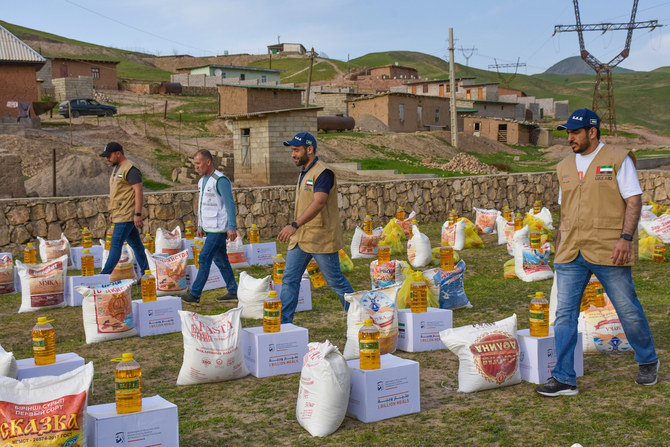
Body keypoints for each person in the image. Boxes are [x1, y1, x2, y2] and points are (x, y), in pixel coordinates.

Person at [535, 109, 659, 397]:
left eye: (575, 132)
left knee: (627, 309)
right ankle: (564, 378)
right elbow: (565, 210)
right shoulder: (564, 166)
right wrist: (558, 245)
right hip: (570, 253)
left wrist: (626, 238)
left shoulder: (618, 159)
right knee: (564, 315)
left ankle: (647, 360)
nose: (570, 138)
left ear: (592, 132)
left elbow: (633, 200)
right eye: (567, 132)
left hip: (609, 249)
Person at [277, 132, 354, 323]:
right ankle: (285, 324)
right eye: (292, 150)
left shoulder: (323, 173)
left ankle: (359, 318)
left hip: (320, 238)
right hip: (301, 239)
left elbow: (319, 202)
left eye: (296, 150)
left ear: (309, 149)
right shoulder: (305, 172)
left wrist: (294, 224)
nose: (293, 154)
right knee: (289, 280)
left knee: (335, 281)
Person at [181, 149, 238, 304]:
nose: (196, 167)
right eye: (195, 164)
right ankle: (233, 291)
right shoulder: (201, 181)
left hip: (219, 229)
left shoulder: (220, 180)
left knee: (204, 257)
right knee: (221, 260)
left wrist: (232, 227)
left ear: (208, 162)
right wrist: (200, 226)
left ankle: (195, 294)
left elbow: (229, 204)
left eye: (198, 163)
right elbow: (202, 206)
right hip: (209, 228)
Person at [99, 142, 149, 276]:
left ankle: (103, 277)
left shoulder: (130, 170)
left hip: (126, 215)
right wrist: (113, 212)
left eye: (109, 156)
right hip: (120, 214)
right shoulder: (117, 168)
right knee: (137, 246)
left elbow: (138, 191)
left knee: (115, 245)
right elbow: (119, 194)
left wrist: (138, 214)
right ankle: (147, 274)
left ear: (118, 154)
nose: (107, 159)